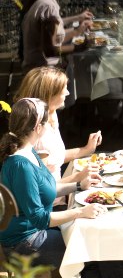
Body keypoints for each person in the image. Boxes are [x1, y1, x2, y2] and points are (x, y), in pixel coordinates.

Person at [0, 98, 123, 278]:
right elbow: (40, 219)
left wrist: (79, 186)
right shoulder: (21, 164)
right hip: (26, 244)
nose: (48, 125)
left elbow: (46, 189)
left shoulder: (29, 152)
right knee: (92, 245)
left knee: (95, 234)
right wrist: (79, 213)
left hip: (34, 234)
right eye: (46, 122)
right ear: (38, 127)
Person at [15, 67, 102, 207]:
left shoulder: (50, 116)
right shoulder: (37, 134)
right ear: (50, 95)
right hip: (49, 207)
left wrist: (87, 149)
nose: (68, 92)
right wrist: (78, 179)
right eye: (64, 89)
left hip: (59, 198)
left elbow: (55, 157)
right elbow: (40, 189)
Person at [21, 0, 93, 72]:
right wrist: (79, 47)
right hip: (43, 75)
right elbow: (49, 50)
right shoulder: (47, 6)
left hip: (39, 71)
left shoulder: (44, 2)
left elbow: (53, 38)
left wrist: (79, 30)